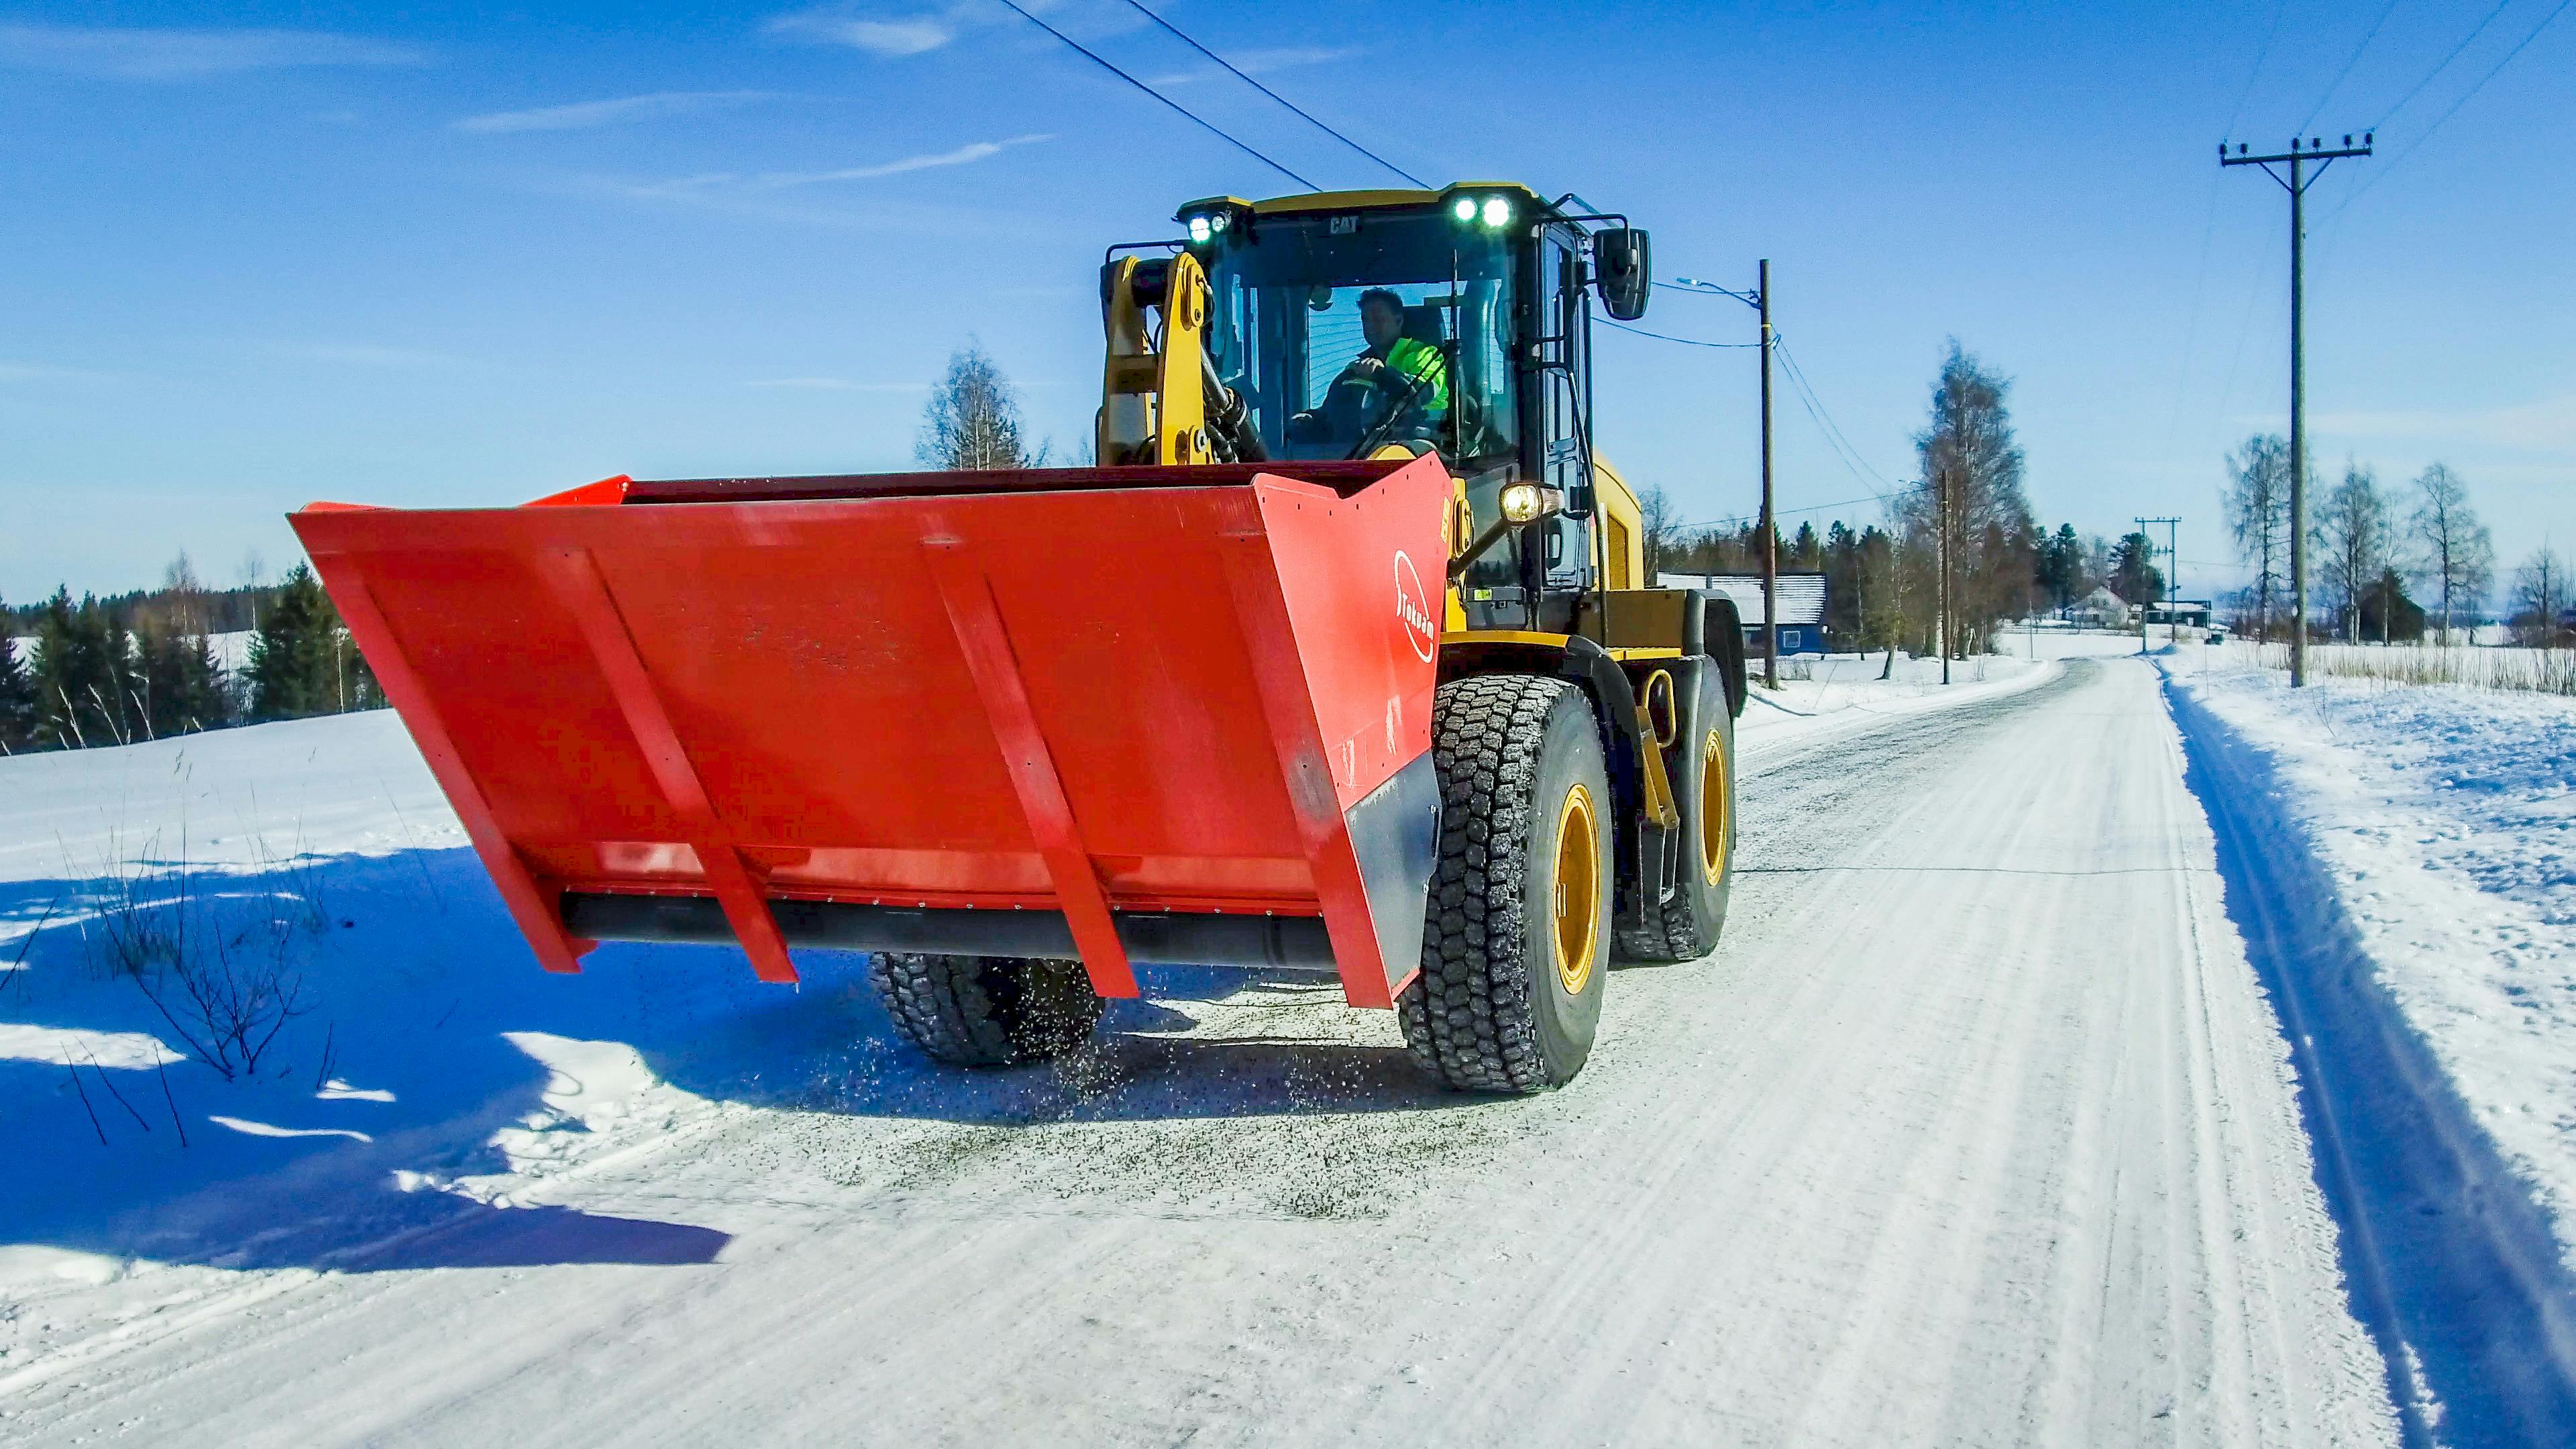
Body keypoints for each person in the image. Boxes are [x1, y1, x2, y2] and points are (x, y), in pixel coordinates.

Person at [1291, 288, 1449, 449]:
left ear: (1399, 321)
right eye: (1366, 320)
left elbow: (1423, 392)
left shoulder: (1424, 354)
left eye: (1378, 319)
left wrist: (1383, 375)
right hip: (1369, 448)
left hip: (1424, 443)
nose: (1371, 326)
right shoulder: (1359, 367)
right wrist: (1313, 417)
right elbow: (1337, 408)